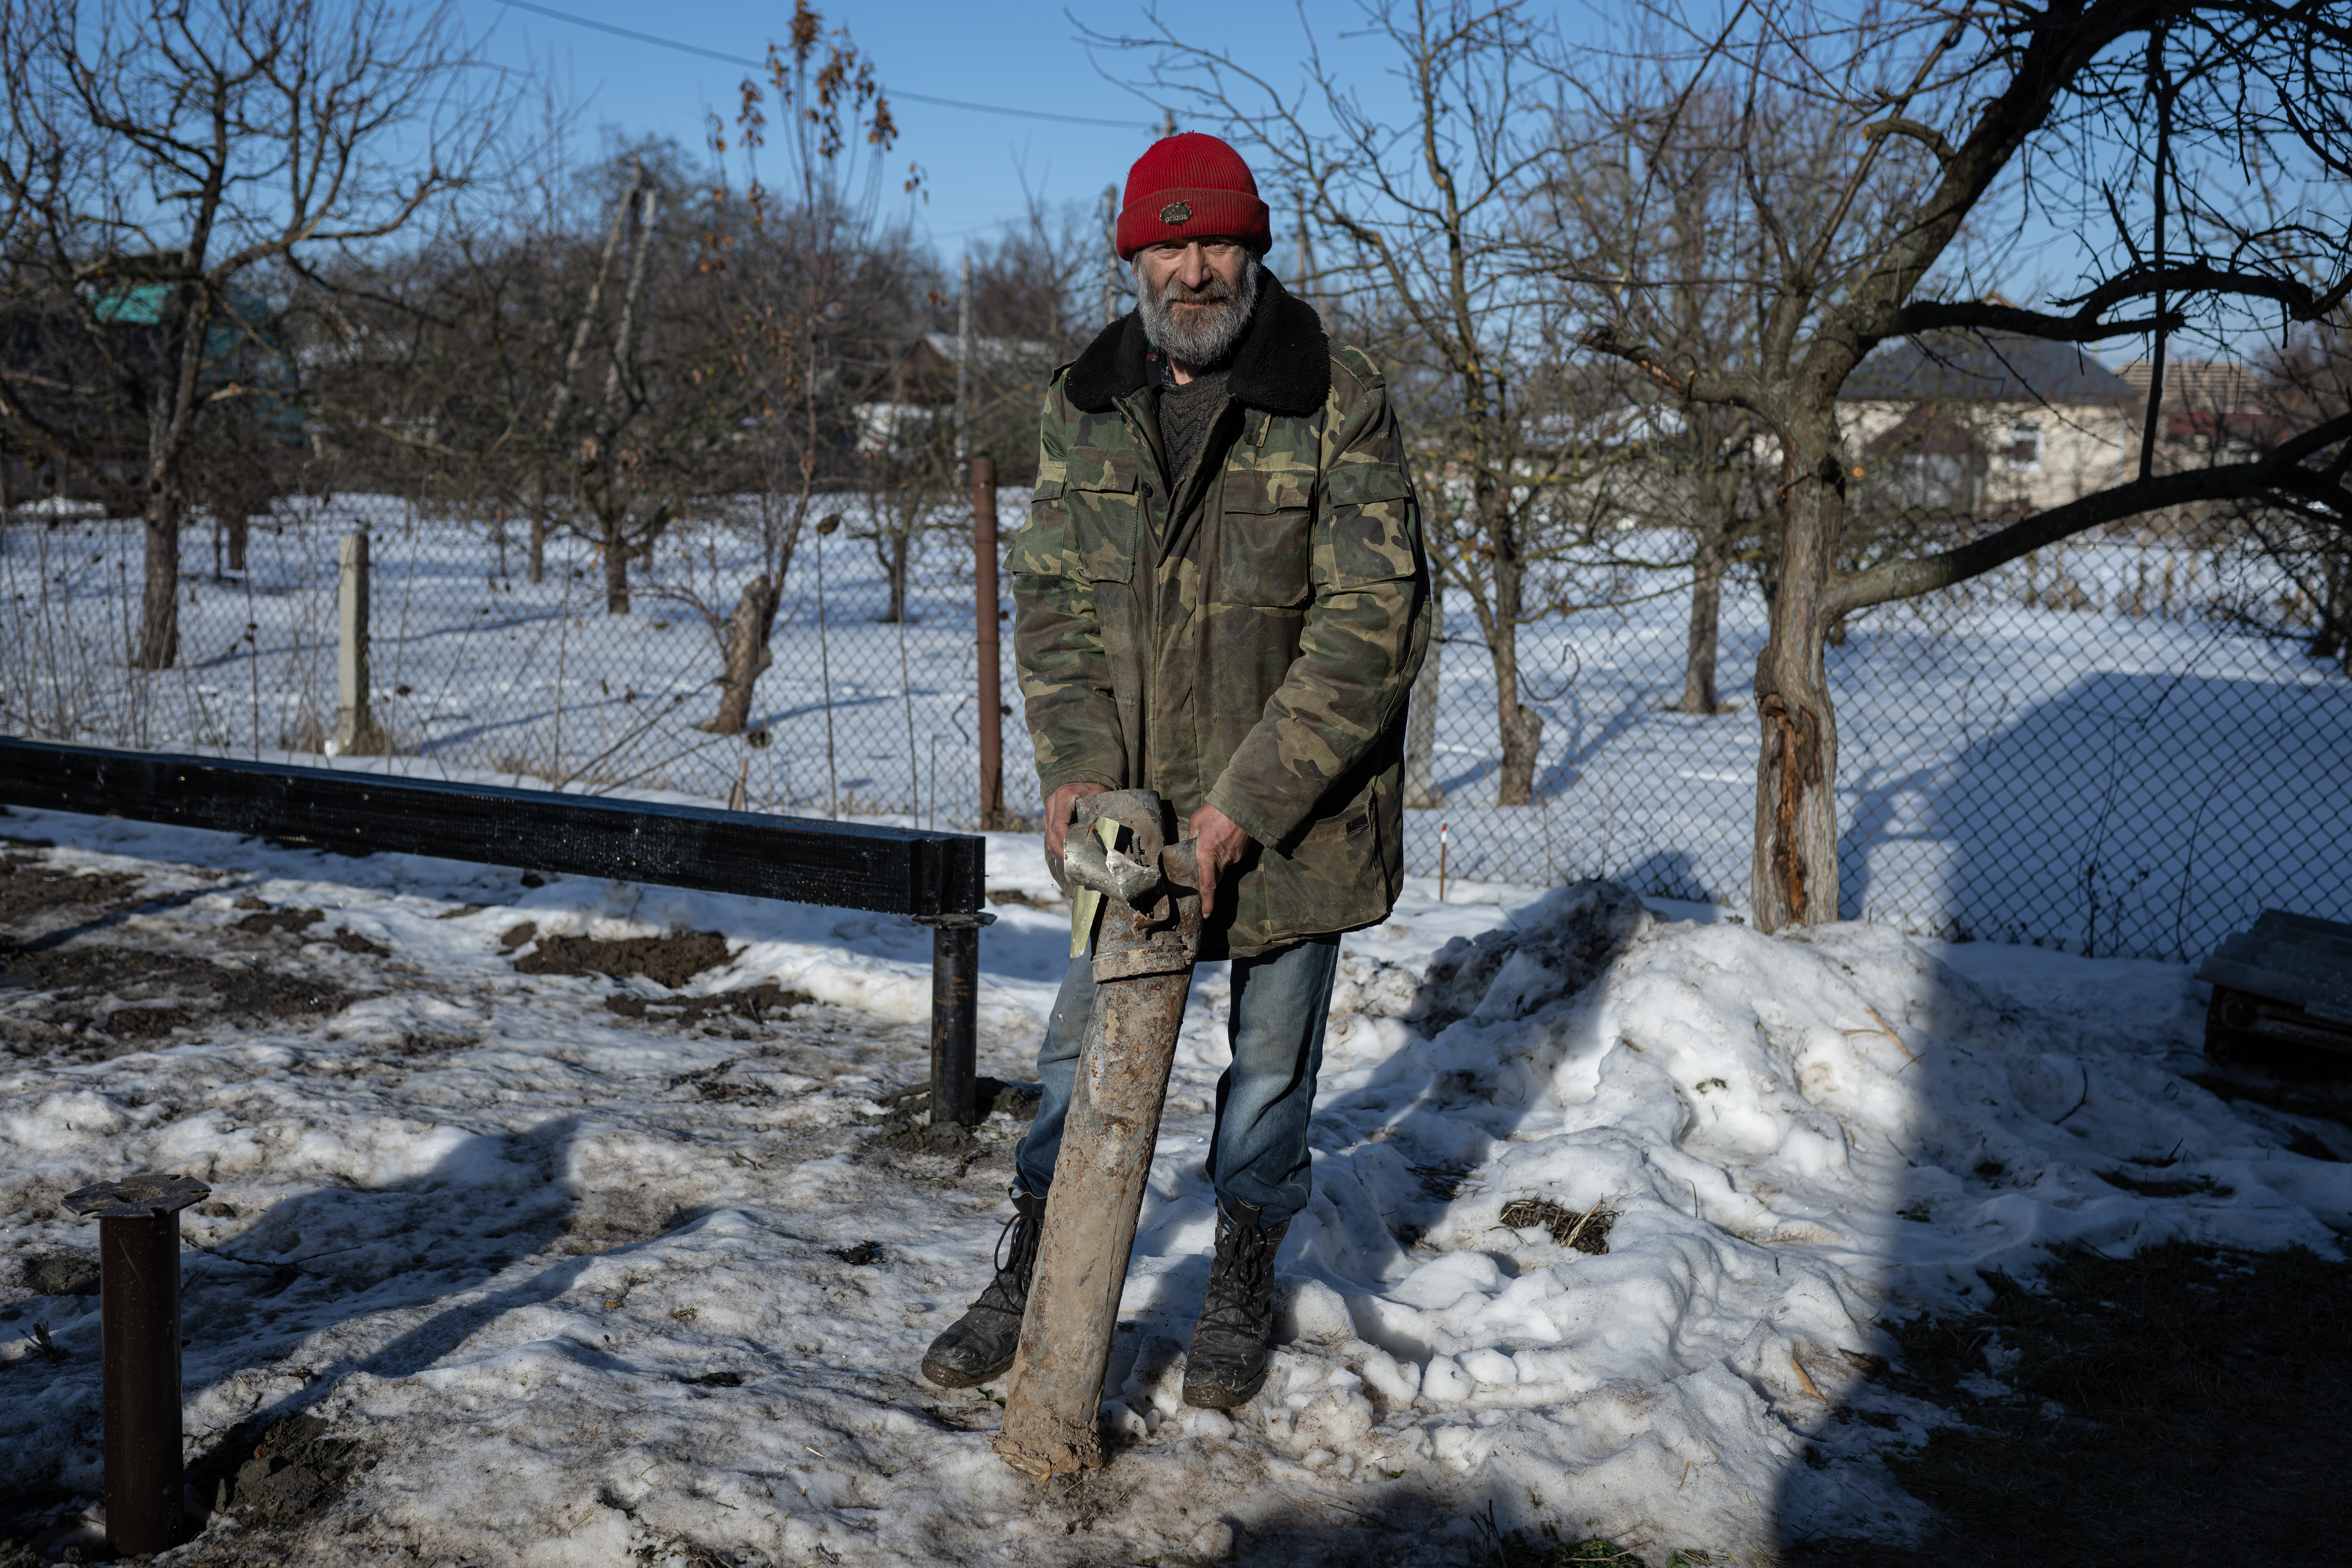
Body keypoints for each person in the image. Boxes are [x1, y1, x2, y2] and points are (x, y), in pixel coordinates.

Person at [921, 132, 1430, 1410]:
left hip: (1294, 821)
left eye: (1218, 243)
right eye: (1169, 244)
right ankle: (1035, 1271)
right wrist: (1083, 774)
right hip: (1134, 824)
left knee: (1267, 1079)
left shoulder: (1339, 395)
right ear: (1133, 258)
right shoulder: (1080, 403)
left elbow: (1371, 627)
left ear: (1252, 252)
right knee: (1074, 1060)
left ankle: (1240, 1284)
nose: (1193, 268)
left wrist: (1240, 811)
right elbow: (1051, 604)